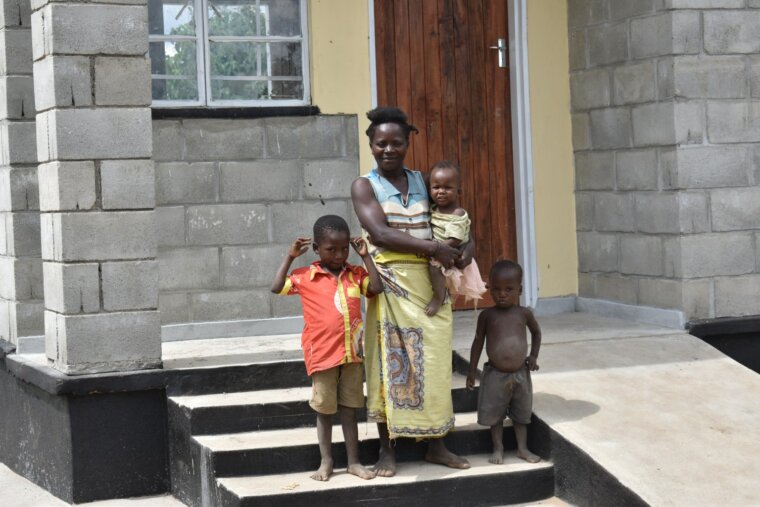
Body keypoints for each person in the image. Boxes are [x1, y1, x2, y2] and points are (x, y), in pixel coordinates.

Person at [351, 106, 474, 477]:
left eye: (396, 143)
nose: (388, 149)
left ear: (408, 143)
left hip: (429, 284)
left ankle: (436, 443)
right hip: (389, 285)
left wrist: (465, 252)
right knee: (390, 367)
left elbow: (458, 220)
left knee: (434, 366)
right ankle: (387, 450)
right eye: (381, 143)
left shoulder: (426, 180)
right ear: (371, 145)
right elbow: (381, 234)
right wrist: (435, 249)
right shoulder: (364, 186)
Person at [270, 215, 383, 481]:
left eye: (344, 248)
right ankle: (327, 462)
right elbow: (276, 287)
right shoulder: (306, 277)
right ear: (317, 249)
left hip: (352, 355)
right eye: (331, 249)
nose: (339, 254)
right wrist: (290, 256)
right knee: (324, 410)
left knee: (350, 409)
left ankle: (354, 462)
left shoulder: (356, 274)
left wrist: (366, 256)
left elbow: (376, 287)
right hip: (322, 356)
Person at [466, 260, 542, 464]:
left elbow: (536, 333)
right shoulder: (487, 315)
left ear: (520, 289)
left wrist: (533, 356)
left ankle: (522, 448)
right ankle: (497, 448)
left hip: (520, 373)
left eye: (509, 289)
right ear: (489, 288)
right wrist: (472, 371)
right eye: (497, 289)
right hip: (495, 375)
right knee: (495, 414)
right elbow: (477, 342)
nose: (502, 294)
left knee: (521, 414)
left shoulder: (524, 313)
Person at [424, 161, 487, 316]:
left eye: (448, 188)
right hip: (441, 248)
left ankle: (438, 298)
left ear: (459, 191)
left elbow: (455, 239)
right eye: (436, 187)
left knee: (435, 268)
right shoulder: (433, 209)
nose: (441, 192)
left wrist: (433, 248)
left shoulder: (457, 213)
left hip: (453, 250)